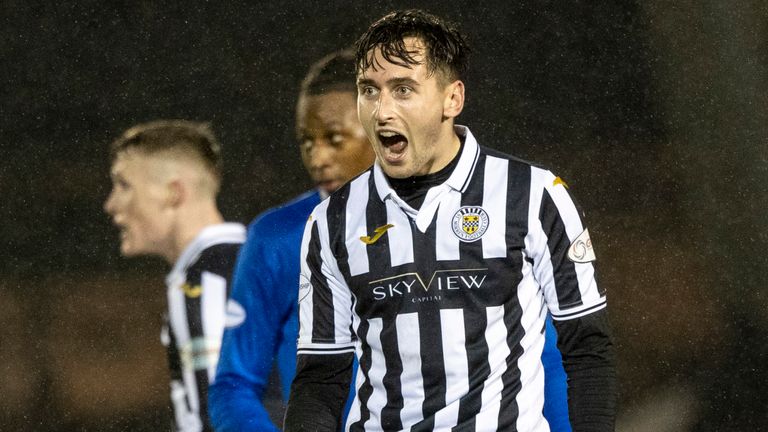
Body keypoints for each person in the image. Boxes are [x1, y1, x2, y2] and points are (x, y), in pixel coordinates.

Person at [284, 10, 616, 432]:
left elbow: (587, 346)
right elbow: (320, 378)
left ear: (452, 99)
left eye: (403, 89)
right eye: (369, 90)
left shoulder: (535, 195)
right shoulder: (331, 220)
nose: (381, 109)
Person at [208, 49, 376, 432]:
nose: (317, 157)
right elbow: (233, 384)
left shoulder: (445, 222)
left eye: (334, 139)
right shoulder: (278, 237)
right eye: (306, 141)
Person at [104, 120, 246, 432]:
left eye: (124, 185)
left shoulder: (203, 284)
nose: (111, 204)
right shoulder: (250, 263)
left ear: (173, 193)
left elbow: (220, 417)